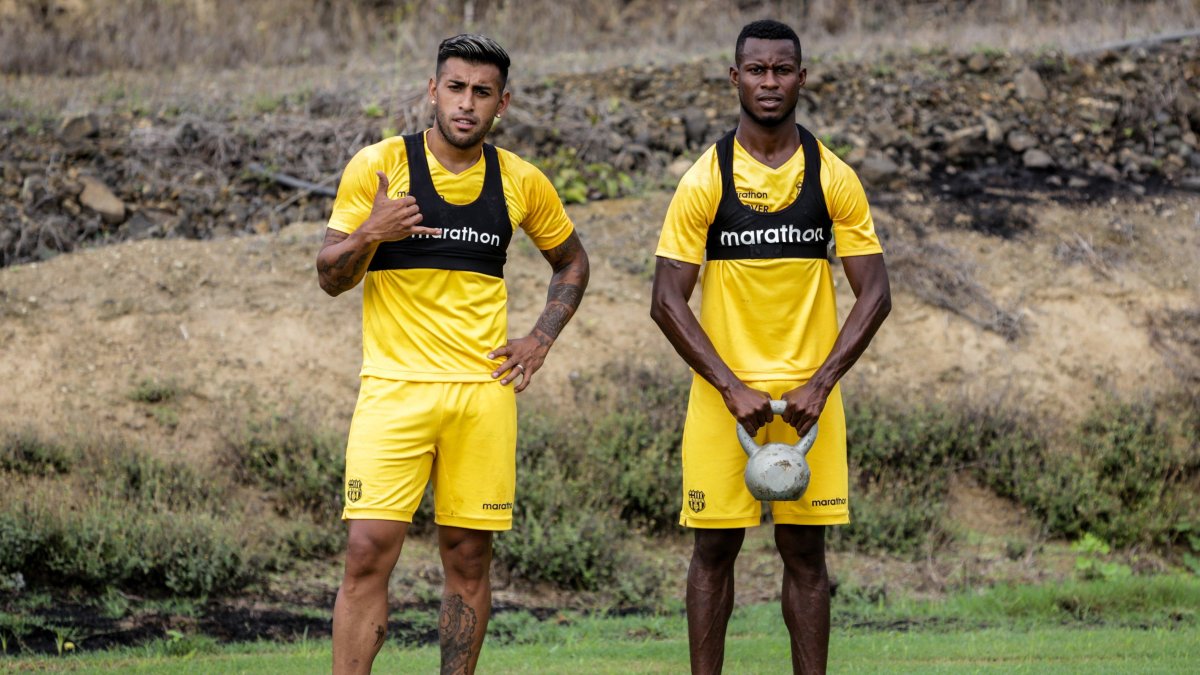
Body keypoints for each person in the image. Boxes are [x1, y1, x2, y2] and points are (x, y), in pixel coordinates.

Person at [316, 33, 589, 675]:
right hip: (395, 389)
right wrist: (370, 233)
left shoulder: (520, 180)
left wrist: (540, 338)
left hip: (481, 393)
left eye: (482, 93)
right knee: (366, 551)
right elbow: (329, 275)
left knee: (469, 558)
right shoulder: (379, 167)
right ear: (432, 91)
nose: (467, 104)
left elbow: (572, 262)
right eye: (456, 88)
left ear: (503, 103)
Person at [649, 19, 891, 675]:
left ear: (802, 78)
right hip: (723, 396)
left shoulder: (832, 176)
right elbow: (665, 299)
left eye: (782, 69)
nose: (769, 82)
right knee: (713, 553)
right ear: (735, 78)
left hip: (810, 402)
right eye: (756, 70)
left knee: (806, 554)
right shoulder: (705, 179)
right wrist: (731, 386)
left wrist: (821, 383)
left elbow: (876, 293)